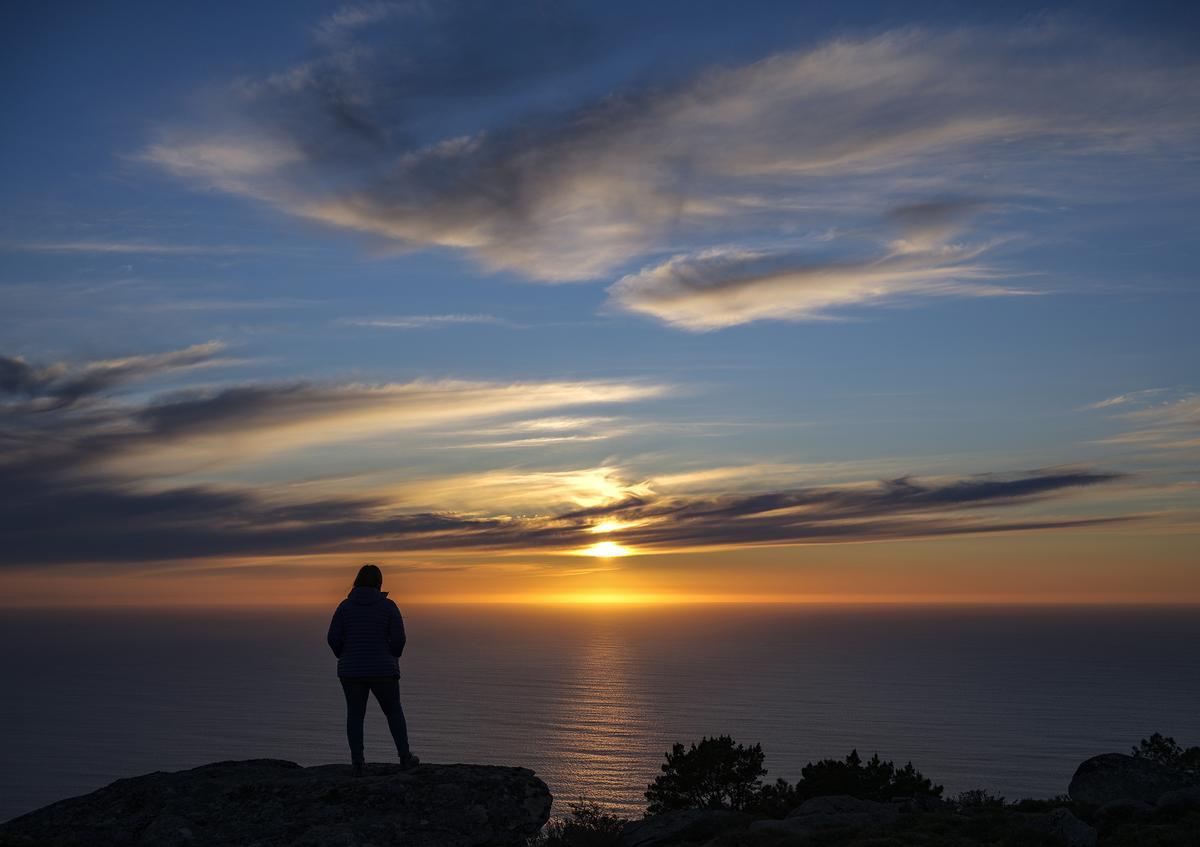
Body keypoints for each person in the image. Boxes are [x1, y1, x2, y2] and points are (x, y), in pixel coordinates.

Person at [326, 564, 419, 775]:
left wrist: (344, 655)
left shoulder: (344, 607)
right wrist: (393, 654)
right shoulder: (388, 607)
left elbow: (332, 638)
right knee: (393, 712)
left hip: (351, 670)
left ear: (357, 582)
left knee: (355, 716)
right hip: (383, 669)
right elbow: (399, 639)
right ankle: (405, 758)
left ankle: (357, 763)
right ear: (379, 583)